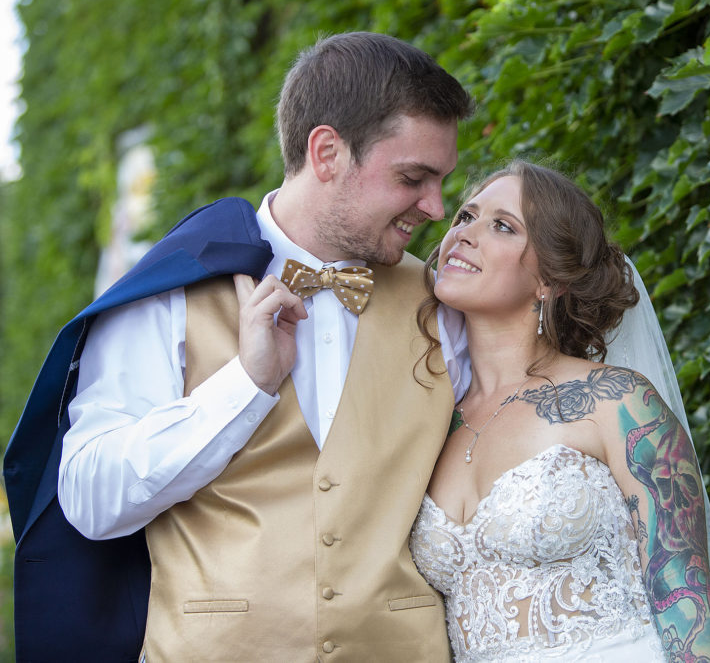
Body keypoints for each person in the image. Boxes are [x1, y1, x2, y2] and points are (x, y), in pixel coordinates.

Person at [4, 32, 473, 661]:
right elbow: (89, 497)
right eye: (413, 178)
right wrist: (243, 387)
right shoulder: (171, 289)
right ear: (327, 151)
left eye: (441, 180)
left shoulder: (448, 305)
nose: (437, 207)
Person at [409, 160, 710, 661]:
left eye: (502, 226)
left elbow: (690, 607)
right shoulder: (429, 421)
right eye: (464, 216)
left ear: (550, 279)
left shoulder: (619, 403)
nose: (464, 234)